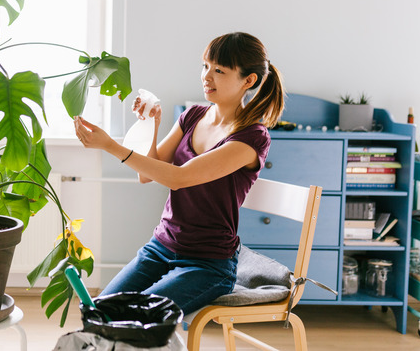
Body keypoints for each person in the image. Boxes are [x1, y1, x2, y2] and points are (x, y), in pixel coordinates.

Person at [73, 32, 285, 315]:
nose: (206, 77)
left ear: (248, 80)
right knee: (97, 311)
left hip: (207, 263)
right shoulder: (193, 115)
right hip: (160, 247)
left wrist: (110, 146)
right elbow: (148, 174)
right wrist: (151, 124)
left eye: (219, 70)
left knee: (130, 317)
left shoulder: (252, 137)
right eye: (205, 66)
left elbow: (178, 177)